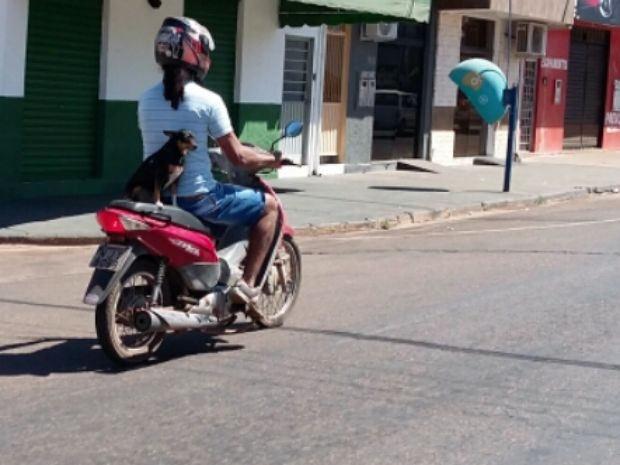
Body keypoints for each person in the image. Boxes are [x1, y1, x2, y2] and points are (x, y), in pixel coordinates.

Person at [138, 16, 282, 309]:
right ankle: (250, 286)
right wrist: (273, 160)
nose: (208, 58)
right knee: (269, 207)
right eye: (204, 51)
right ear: (193, 52)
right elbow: (238, 156)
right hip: (199, 200)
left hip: (158, 199)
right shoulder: (208, 101)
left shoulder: (145, 99)